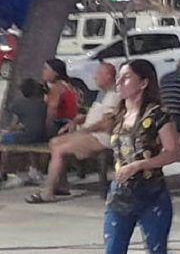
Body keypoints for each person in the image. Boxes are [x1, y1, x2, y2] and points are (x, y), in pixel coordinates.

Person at [101, 58, 180, 254]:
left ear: (143, 83)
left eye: (127, 78)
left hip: (151, 195)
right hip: (120, 197)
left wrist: (141, 164)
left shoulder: (158, 115)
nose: (120, 82)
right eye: (119, 77)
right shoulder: (119, 113)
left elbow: (173, 153)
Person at [28, 63, 119, 203]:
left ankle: (48, 192)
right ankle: (62, 185)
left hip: (100, 137)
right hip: (89, 133)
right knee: (54, 142)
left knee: (59, 149)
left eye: (98, 74)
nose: (95, 77)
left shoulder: (114, 96)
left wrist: (85, 130)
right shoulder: (102, 93)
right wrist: (75, 122)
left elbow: (107, 123)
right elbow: (93, 114)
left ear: (108, 76)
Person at [0, 78, 48, 144]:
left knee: (3, 138)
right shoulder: (42, 104)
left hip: (25, 137)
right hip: (41, 137)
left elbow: (14, 123)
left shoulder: (18, 103)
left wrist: (8, 131)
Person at [42, 58, 79, 137]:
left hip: (60, 125)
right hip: (69, 123)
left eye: (46, 69)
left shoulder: (57, 88)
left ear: (55, 73)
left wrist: (44, 128)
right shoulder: (67, 86)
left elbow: (52, 109)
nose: (43, 72)